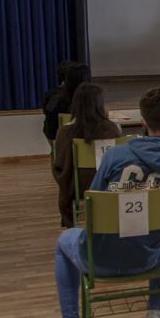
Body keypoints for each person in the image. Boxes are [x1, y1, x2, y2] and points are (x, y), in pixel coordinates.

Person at [52, 87, 160, 318]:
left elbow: (96, 205)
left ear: (143, 121)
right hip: (152, 259)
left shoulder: (115, 156)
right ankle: (155, 315)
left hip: (100, 258)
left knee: (63, 241)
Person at [51, 83, 122, 228]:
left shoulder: (64, 132)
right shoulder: (112, 129)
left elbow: (60, 166)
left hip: (78, 186)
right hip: (107, 183)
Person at [43, 61, 90, 142]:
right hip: (75, 137)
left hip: (55, 135)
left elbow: (47, 113)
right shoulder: (88, 97)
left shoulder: (53, 96)